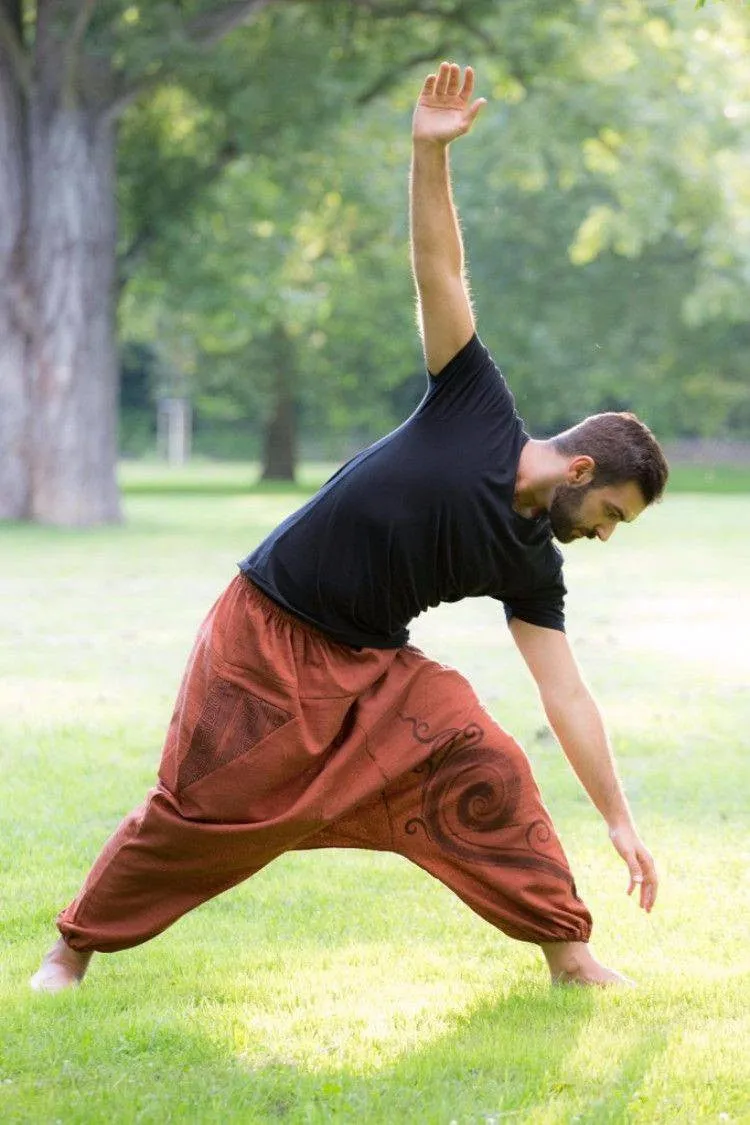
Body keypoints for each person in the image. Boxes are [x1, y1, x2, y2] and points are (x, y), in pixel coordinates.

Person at [31, 62, 667, 994]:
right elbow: (439, 268)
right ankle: (71, 950)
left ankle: (568, 953)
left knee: (480, 759)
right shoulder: (476, 406)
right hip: (264, 629)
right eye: (610, 514)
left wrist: (618, 817)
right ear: (581, 469)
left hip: (370, 669)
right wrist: (427, 152)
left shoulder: (533, 562)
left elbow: (566, 696)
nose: (604, 535)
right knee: (204, 806)